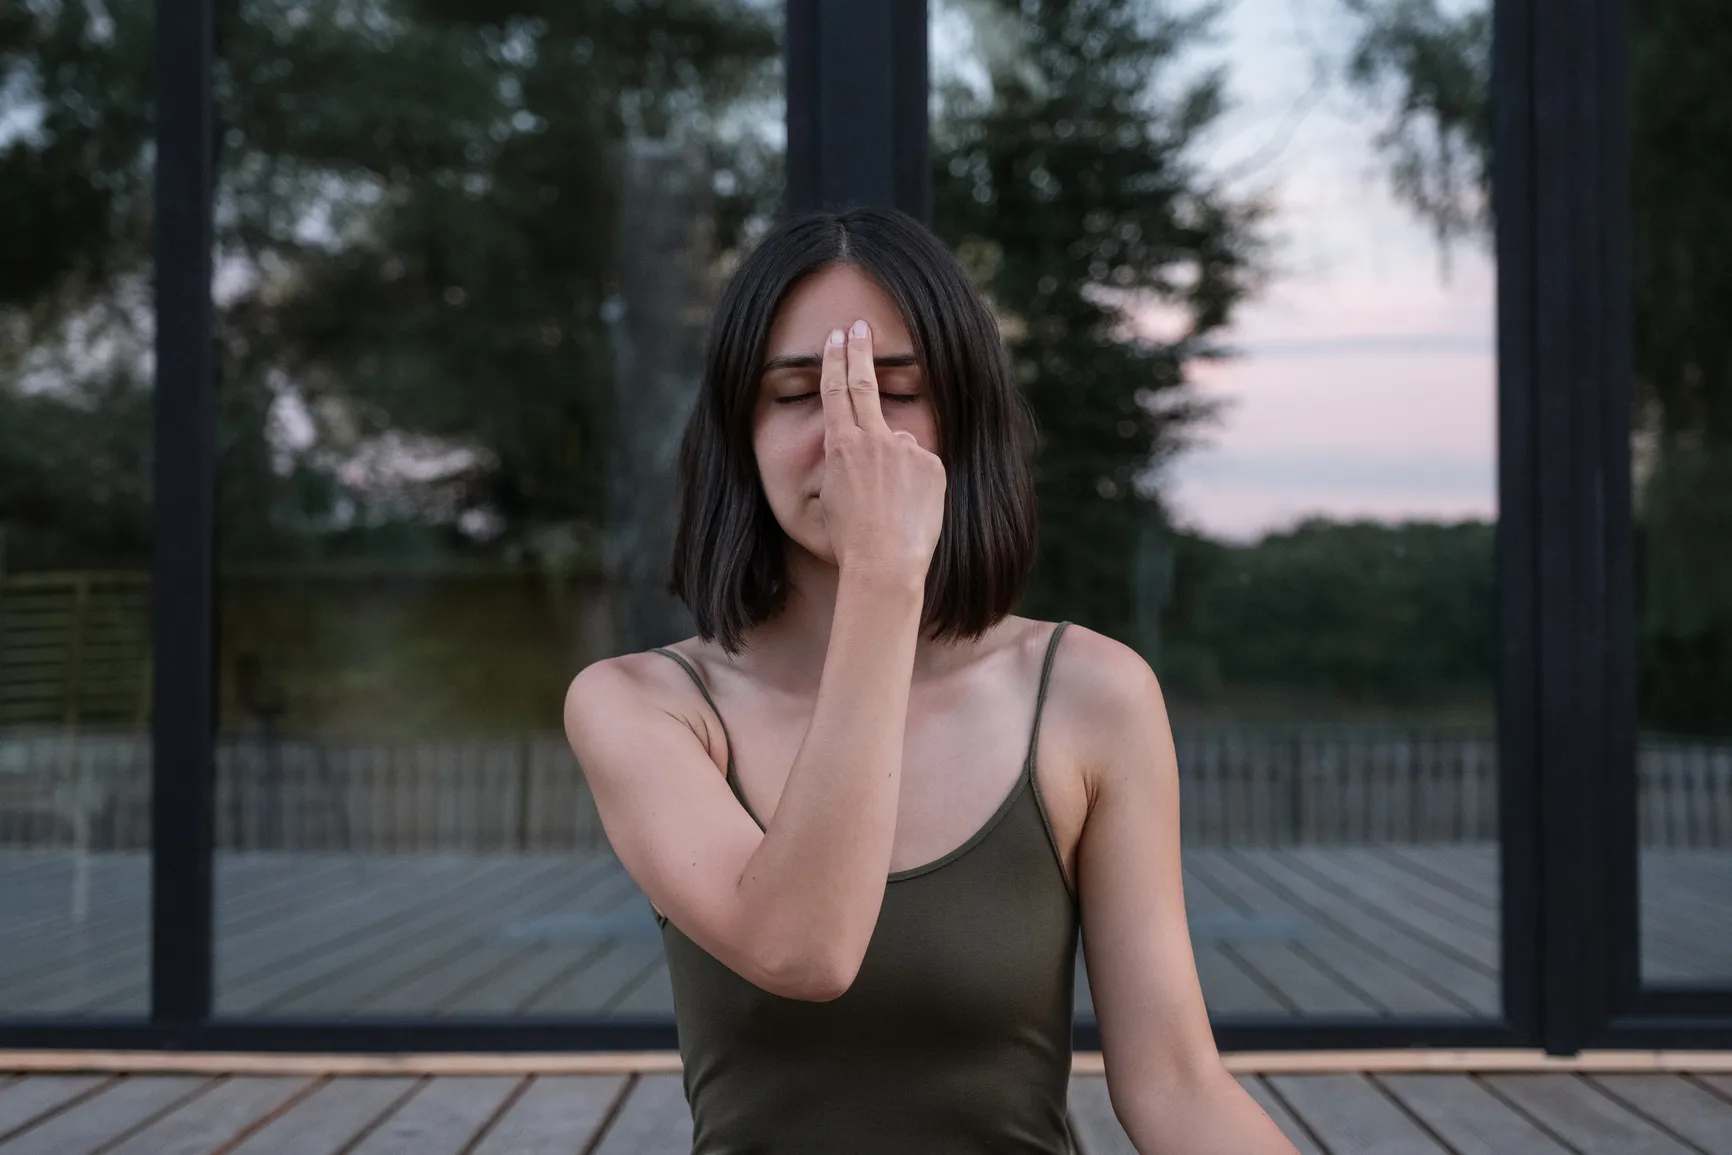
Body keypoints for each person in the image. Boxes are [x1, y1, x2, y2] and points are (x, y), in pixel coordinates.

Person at [563, 206, 1299, 1154]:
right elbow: (806, 948)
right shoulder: (642, 704)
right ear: (738, 431)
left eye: (894, 390)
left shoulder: (1090, 692)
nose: (852, 434)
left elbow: (1175, 1086)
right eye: (800, 394)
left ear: (963, 415)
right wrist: (882, 577)